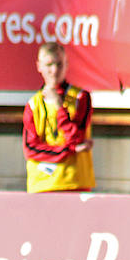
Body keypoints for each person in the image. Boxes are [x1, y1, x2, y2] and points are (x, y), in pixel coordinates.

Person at [22, 42, 95, 193]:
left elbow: (77, 138)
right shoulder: (33, 104)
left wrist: (59, 106)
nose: (54, 71)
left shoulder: (80, 97)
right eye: (49, 65)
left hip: (74, 183)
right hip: (43, 185)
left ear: (67, 64)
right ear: (39, 66)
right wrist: (69, 150)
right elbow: (30, 149)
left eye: (59, 64)